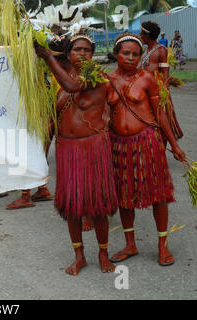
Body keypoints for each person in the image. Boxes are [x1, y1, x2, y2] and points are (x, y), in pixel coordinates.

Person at [34, 34, 118, 276]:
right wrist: (42, 152)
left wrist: (48, 57)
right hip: (68, 149)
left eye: (88, 50)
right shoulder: (57, 84)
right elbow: (52, 120)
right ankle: (79, 256)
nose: (83, 54)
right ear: (68, 54)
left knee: (99, 207)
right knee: (72, 208)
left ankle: (103, 253)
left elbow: (73, 86)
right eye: (77, 49)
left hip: (93, 147)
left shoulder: (96, 77)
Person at [106, 33, 186, 267]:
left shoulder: (149, 79)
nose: (130, 58)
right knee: (124, 196)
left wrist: (173, 144)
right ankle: (130, 243)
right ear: (116, 54)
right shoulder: (106, 80)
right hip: (118, 145)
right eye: (125, 53)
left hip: (147, 142)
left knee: (158, 193)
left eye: (135, 54)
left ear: (141, 57)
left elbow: (160, 114)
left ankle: (163, 245)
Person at [140, 21, 183, 141]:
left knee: (159, 119)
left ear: (147, 35)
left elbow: (165, 73)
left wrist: (163, 94)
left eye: (141, 33)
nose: (140, 35)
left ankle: (162, 144)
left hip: (157, 91)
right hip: (145, 89)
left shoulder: (161, 50)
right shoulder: (146, 50)